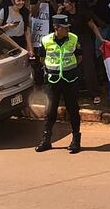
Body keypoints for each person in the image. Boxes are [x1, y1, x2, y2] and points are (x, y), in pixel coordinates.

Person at [35, 15, 82, 154]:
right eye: (65, 28)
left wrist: (68, 69)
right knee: (50, 111)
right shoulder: (46, 40)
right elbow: (42, 59)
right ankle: (46, 140)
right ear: (57, 28)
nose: (68, 30)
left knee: (73, 109)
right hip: (52, 80)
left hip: (70, 80)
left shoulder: (74, 38)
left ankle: (76, 140)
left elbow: (79, 57)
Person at [59, 0, 105, 105]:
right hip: (70, 41)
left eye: (66, 2)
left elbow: (92, 25)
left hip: (84, 39)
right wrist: (58, 13)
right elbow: (58, 28)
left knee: (88, 66)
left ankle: (95, 93)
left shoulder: (82, 12)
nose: (64, 5)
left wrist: (101, 38)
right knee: (69, 66)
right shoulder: (64, 14)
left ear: (72, 4)